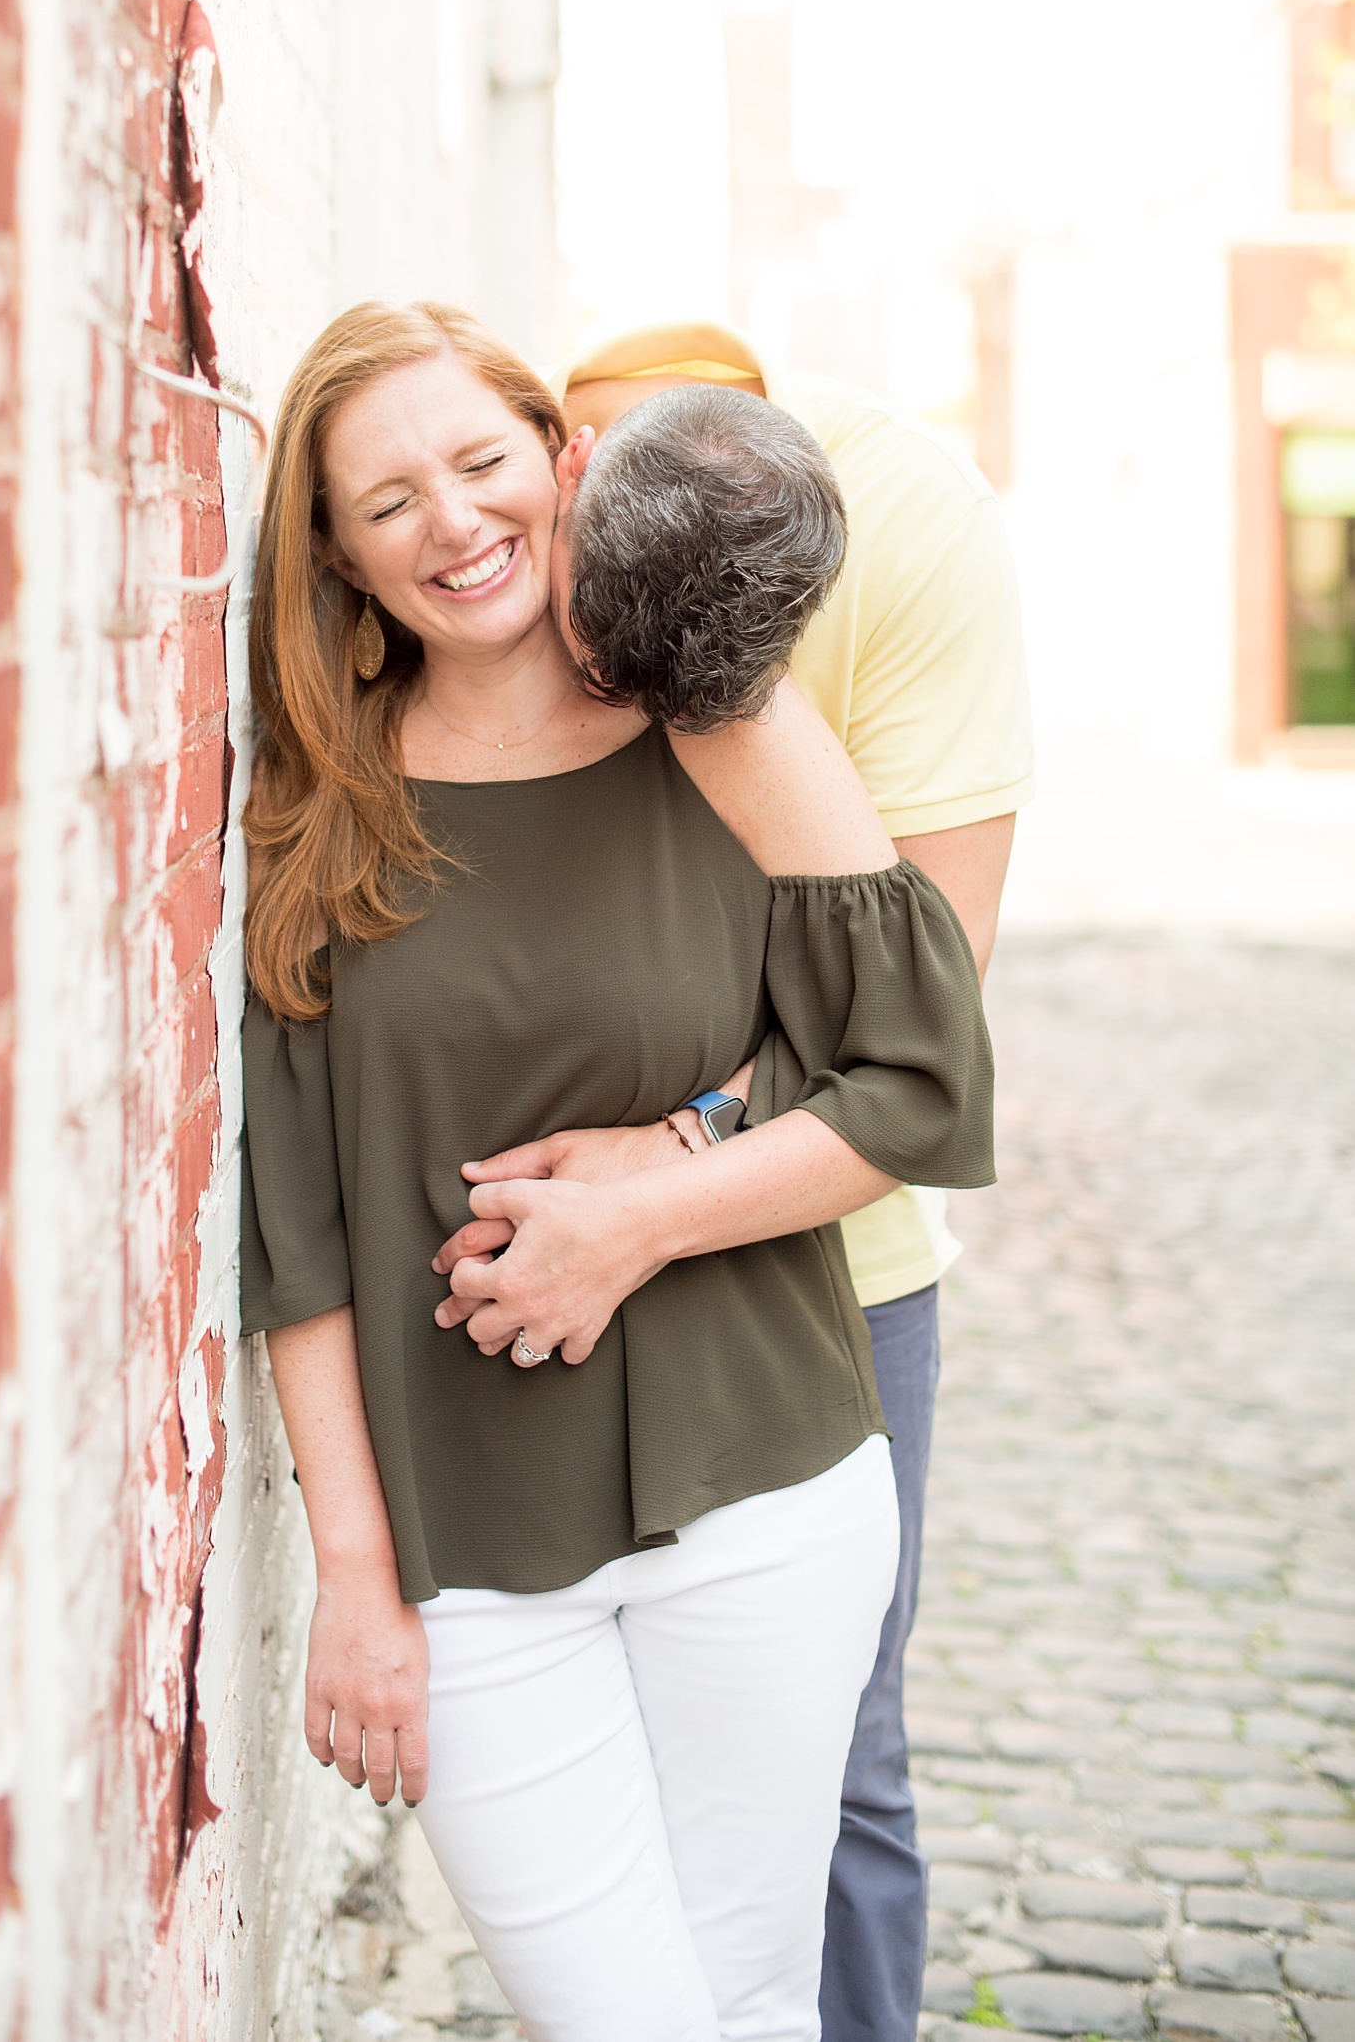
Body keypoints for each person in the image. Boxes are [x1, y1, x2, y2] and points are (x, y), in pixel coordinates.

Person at [240, 300, 996, 2042]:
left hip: (768, 1488)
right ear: (340, 559)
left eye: (485, 462)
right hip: (471, 1549)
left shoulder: (722, 728)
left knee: (749, 1999)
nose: (456, 522)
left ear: (562, 465)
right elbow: (304, 1241)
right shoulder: (314, 803)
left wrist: (650, 1206)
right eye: (390, 499)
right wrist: (354, 1581)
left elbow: (916, 1072)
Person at [447, 321, 1033, 2042]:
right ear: (561, 474)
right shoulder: (493, 498)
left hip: (829, 1259)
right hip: (534, 1268)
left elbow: (934, 1014)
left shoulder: (913, 528)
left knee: (838, 1758)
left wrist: (678, 1156)